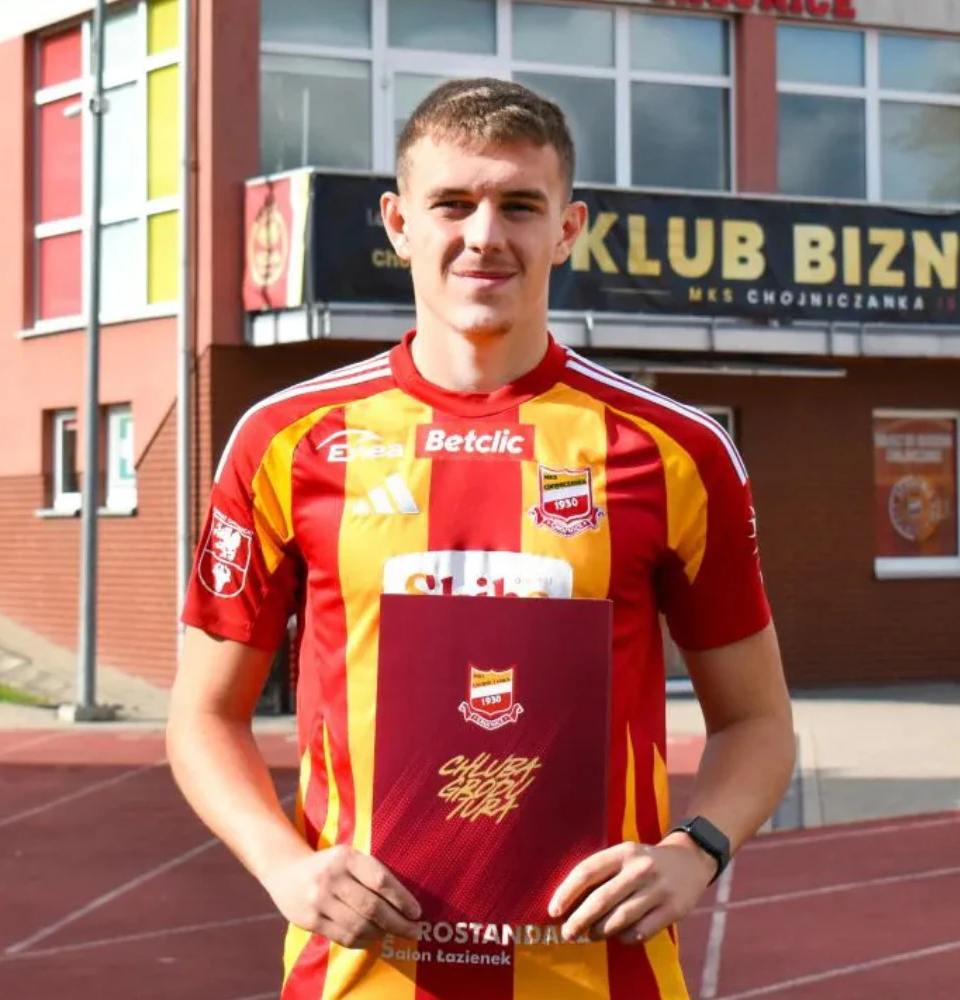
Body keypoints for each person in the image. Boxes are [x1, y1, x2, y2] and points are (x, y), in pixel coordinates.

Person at [167, 77, 796, 1000]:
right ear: (398, 223)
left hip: (600, 976)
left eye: (520, 206)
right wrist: (282, 866)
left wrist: (696, 850)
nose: (485, 235)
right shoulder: (287, 440)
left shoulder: (675, 451)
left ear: (568, 229)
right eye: (453, 203)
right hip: (362, 979)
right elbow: (202, 714)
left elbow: (758, 722)